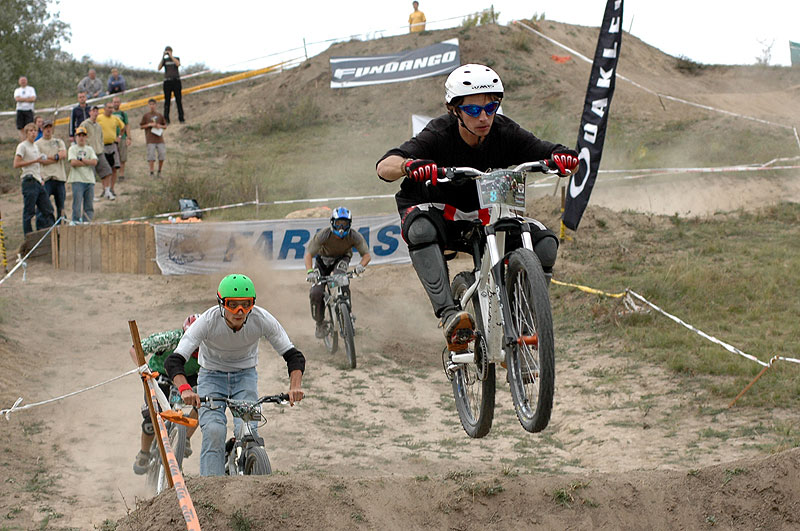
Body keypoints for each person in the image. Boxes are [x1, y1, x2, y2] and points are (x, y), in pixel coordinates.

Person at [375, 64, 579, 351]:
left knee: (545, 245)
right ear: (454, 110)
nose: (484, 117)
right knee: (420, 229)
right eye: (472, 110)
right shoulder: (438, 133)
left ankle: (521, 320)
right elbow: (384, 167)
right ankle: (449, 315)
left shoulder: (505, 131)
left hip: (486, 214)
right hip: (440, 212)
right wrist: (409, 166)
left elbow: (551, 152)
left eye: (491, 107)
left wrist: (564, 158)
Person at [165, 274, 305, 476]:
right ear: (221, 303)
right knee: (214, 431)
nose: (240, 312)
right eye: (233, 305)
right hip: (211, 376)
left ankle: (248, 467)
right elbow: (174, 360)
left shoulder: (261, 319)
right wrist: (185, 389)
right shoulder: (207, 321)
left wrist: (295, 387)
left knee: (248, 430)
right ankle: (212, 488)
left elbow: (293, 355)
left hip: (245, 375)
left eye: (246, 305)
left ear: (253, 304)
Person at [132, 315, 202, 475]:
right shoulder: (170, 339)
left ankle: (185, 438)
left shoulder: (212, 345)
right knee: (151, 418)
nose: (195, 347)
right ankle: (144, 453)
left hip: (189, 377)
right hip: (160, 374)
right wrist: (142, 368)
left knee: (204, 402)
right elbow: (135, 348)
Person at [304, 207, 371, 338]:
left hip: (341, 259)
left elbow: (366, 255)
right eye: (338, 223)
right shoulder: (323, 234)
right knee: (316, 292)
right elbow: (309, 254)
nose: (341, 227)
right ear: (332, 222)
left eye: (345, 224)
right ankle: (319, 323)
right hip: (322, 261)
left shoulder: (354, 236)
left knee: (340, 279)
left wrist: (360, 266)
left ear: (349, 224)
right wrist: (310, 272)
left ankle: (348, 314)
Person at [13, 123, 55, 234]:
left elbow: (38, 164)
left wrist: (41, 177)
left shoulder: (35, 146)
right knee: (29, 211)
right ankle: (28, 236)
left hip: (38, 181)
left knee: (47, 209)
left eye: (35, 131)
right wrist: (35, 161)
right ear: (26, 133)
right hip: (29, 180)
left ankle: (50, 233)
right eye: (31, 131)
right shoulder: (23, 146)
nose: (33, 133)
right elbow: (16, 164)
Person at [35, 121, 68, 221]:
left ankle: (61, 225)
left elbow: (63, 154)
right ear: (42, 129)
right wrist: (56, 158)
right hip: (46, 178)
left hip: (59, 177)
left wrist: (49, 157)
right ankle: (44, 226)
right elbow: (41, 160)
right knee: (43, 206)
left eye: (50, 127)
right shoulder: (37, 144)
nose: (48, 130)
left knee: (61, 206)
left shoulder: (58, 142)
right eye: (46, 128)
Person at [67, 126, 97, 224]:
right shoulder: (73, 148)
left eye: (83, 135)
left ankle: (87, 222)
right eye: (79, 135)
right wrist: (87, 162)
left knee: (89, 204)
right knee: (77, 204)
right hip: (77, 179)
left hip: (89, 180)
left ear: (86, 137)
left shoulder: (90, 149)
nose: (81, 138)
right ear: (76, 137)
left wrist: (82, 160)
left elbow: (94, 162)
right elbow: (73, 162)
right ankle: (76, 221)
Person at [139, 98, 167, 177]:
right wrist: (149, 125)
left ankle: (159, 171)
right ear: (148, 105)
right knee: (151, 156)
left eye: (153, 104)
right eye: (150, 104)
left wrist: (159, 126)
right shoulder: (146, 116)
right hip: (150, 139)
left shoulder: (159, 115)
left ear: (156, 105)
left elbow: (165, 126)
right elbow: (141, 126)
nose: (152, 106)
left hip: (159, 139)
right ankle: (151, 172)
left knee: (162, 155)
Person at [158, 46, 185, 124]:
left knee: (178, 100)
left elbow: (178, 64)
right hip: (167, 82)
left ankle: (181, 118)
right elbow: (159, 68)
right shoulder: (164, 60)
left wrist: (171, 56)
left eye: (169, 51)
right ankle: (166, 119)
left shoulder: (176, 58)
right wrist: (163, 57)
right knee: (167, 101)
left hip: (176, 81)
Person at [112, 96, 132, 180]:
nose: (116, 104)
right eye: (114, 102)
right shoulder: (109, 114)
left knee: (122, 157)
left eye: (117, 102)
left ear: (120, 103)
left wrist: (129, 137)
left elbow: (127, 125)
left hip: (122, 137)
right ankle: (113, 175)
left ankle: (121, 174)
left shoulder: (123, 114)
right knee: (112, 157)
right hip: (112, 138)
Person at [14, 76, 36, 141]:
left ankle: (30, 140)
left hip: (29, 110)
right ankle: (23, 141)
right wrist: (28, 99)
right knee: (21, 128)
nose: (23, 82)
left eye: (24, 80)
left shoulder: (31, 89)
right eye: (21, 80)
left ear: (27, 81)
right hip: (20, 110)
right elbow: (17, 99)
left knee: (30, 127)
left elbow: (33, 99)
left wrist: (22, 99)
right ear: (19, 82)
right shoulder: (17, 90)